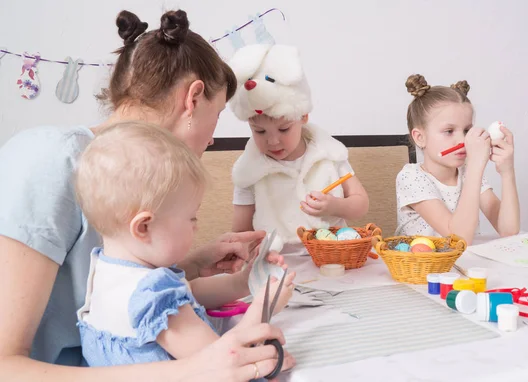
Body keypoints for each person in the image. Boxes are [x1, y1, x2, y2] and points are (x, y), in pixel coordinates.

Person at [0, 9, 293, 380]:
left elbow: (119, 296)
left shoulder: (127, 176)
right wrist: (190, 370)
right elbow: (5, 366)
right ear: (193, 99)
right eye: (216, 116)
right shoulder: (49, 159)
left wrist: (192, 264)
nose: (212, 137)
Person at [75, 122, 295, 366]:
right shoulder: (153, 293)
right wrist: (264, 307)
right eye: (191, 217)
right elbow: (224, 363)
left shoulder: (109, 269)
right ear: (144, 227)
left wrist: (244, 282)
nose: (196, 227)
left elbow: (190, 295)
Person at [228, 44, 369, 254]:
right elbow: (241, 231)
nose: (273, 141)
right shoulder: (249, 172)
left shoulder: (329, 154)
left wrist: (334, 206)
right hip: (278, 261)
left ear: (303, 116)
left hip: (334, 255)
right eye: (260, 132)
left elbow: (361, 204)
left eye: (284, 129)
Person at [395, 74, 520, 244]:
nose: (462, 141)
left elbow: (508, 230)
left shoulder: (466, 172)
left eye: (467, 130)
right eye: (449, 131)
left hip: (461, 266)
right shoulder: (411, 177)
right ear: (420, 137)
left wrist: (507, 172)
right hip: (421, 267)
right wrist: (476, 164)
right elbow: (458, 238)